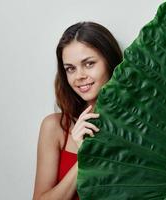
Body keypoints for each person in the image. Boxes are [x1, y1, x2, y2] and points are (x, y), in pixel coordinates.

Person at [32, 21, 123, 200]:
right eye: (70, 69)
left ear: (110, 62)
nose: (79, 76)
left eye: (89, 64)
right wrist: (84, 155)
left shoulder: (137, 129)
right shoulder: (56, 127)